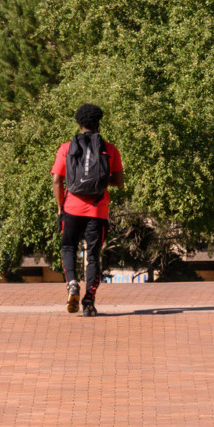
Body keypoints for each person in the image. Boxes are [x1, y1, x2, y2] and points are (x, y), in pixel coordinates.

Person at [51, 102, 124, 316]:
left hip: (71, 208)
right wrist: (99, 179)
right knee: (93, 256)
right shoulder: (110, 149)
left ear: (79, 123)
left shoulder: (66, 148)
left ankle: (72, 283)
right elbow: (118, 181)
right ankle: (89, 301)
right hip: (98, 210)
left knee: (68, 248)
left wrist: (59, 209)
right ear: (98, 123)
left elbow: (57, 180)